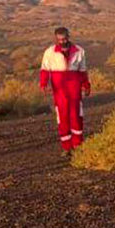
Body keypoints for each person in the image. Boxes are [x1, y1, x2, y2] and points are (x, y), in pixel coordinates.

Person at [40, 26, 91, 154]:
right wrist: (43, 84)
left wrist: (86, 85)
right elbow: (45, 69)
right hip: (59, 90)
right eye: (59, 39)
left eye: (64, 39)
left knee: (76, 116)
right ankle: (67, 147)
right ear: (56, 39)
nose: (62, 41)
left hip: (75, 89)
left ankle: (78, 145)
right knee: (62, 117)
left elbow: (83, 70)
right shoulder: (50, 52)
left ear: (68, 37)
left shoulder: (79, 51)